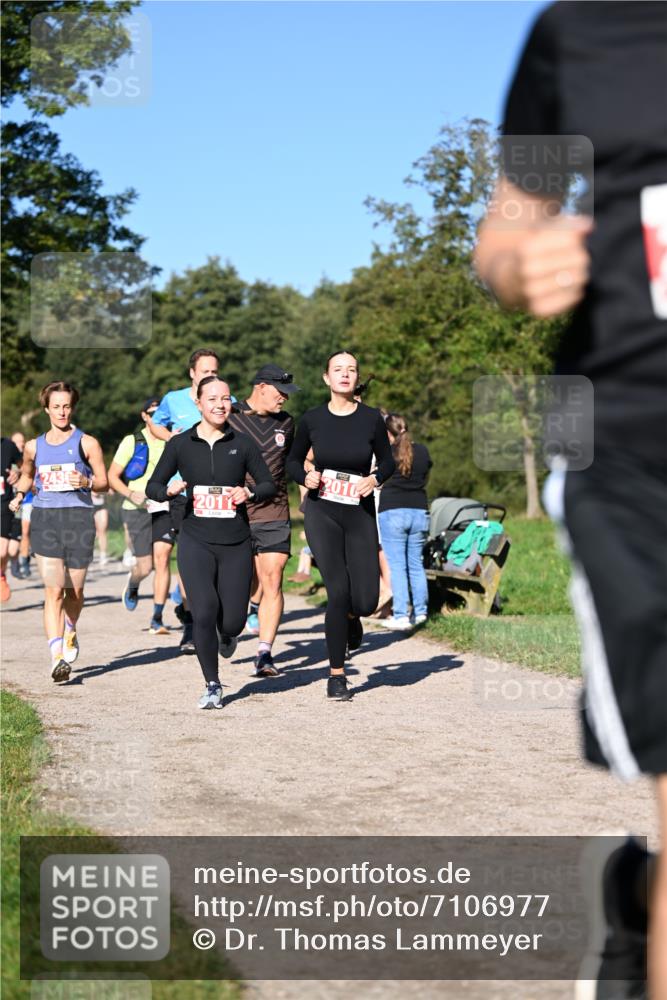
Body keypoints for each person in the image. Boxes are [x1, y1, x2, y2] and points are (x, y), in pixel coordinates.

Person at [474, 4, 667, 996]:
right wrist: (520, 266)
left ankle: (635, 900)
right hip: (639, 448)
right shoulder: (582, 32)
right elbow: (509, 225)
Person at [146, 375, 276, 710]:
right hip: (195, 539)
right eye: (213, 399)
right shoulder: (180, 444)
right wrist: (169, 490)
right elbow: (154, 487)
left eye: (226, 398)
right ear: (199, 404)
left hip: (235, 542)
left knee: (231, 621)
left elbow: (267, 485)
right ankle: (212, 684)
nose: (220, 405)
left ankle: (228, 633)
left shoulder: (243, 443)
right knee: (203, 611)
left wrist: (248, 491)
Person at [286, 350, 395, 701]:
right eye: (338, 369)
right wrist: (307, 474)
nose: (345, 375)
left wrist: (375, 478)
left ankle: (353, 616)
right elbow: (290, 461)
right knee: (337, 590)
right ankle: (336, 676)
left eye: (351, 370)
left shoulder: (371, 420)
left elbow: (389, 461)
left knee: (364, 600)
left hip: (358, 510)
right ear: (326, 378)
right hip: (323, 512)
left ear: (356, 378)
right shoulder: (313, 419)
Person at [9, 382, 108, 681]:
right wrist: (17, 496)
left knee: (73, 591)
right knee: (53, 589)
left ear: (72, 408)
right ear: (46, 409)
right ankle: (56, 657)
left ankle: (70, 628)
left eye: (67, 406)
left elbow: (103, 481)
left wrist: (86, 482)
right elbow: (28, 476)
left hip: (78, 519)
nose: (62, 411)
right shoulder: (34, 446)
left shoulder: (87, 443)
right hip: (45, 518)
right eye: (56, 406)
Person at [145, 348, 221, 653]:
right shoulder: (174, 399)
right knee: (191, 562)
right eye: (205, 372)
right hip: (184, 494)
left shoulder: (223, 400)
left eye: (215, 371)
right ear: (192, 373)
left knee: (219, 564)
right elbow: (155, 424)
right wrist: (174, 441)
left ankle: (213, 617)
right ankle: (191, 625)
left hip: (220, 495)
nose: (211, 377)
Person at [227, 364, 298, 676]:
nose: (284, 398)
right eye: (279, 392)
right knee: (237, 583)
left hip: (273, 509)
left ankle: (265, 653)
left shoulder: (287, 423)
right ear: (260, 387)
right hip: (233, 510)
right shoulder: (229, 416)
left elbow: (296, 461)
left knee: (273, 578)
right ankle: (228, 625)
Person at [108, 396, 172, 635]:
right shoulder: (132, 441)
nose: (157, 417)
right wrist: (129, 493)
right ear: (144, 416)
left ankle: (157, 617)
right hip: (137, 509)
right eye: (152, 413)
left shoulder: (172, 440)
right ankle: (134, 583)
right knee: (145, 567)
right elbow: (112, 476)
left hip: (165, 506)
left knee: (163, 558)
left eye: (160, 413)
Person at [378, 414, 432, 631]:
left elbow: (378, 478)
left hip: (392, 511)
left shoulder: (387, 453)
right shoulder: (423, 451)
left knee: (398, 566)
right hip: (419, 510)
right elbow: (425, 475)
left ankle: (400, 615)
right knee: (416, 564)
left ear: (388, 433)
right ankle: (421, 614)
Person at [1, 435, 22, 602]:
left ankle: (1, 574)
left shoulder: (8, 446)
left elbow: (26, 468)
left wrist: (18, 471)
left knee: (3, 551)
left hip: (4, 502)